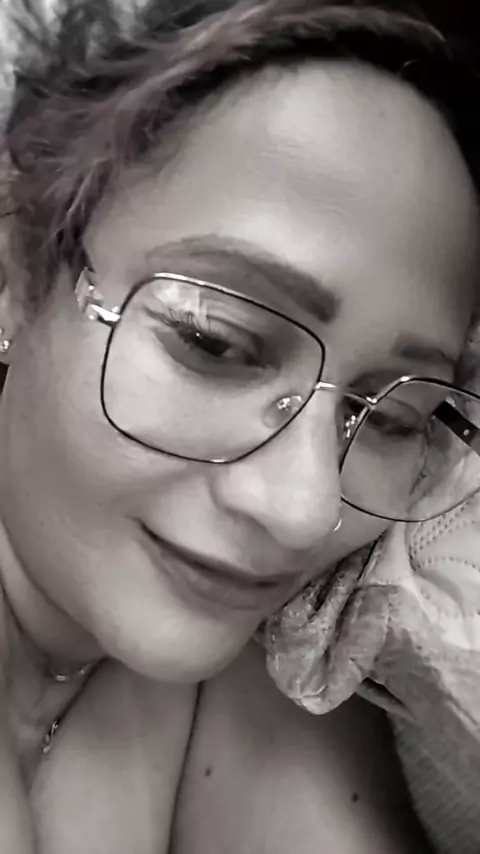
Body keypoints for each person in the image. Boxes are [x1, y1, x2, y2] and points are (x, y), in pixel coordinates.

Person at [0, 0, 479, 851]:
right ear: (15, 274)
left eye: (392, 418)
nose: (303, 510)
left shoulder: (253, 669)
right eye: (214, 342)